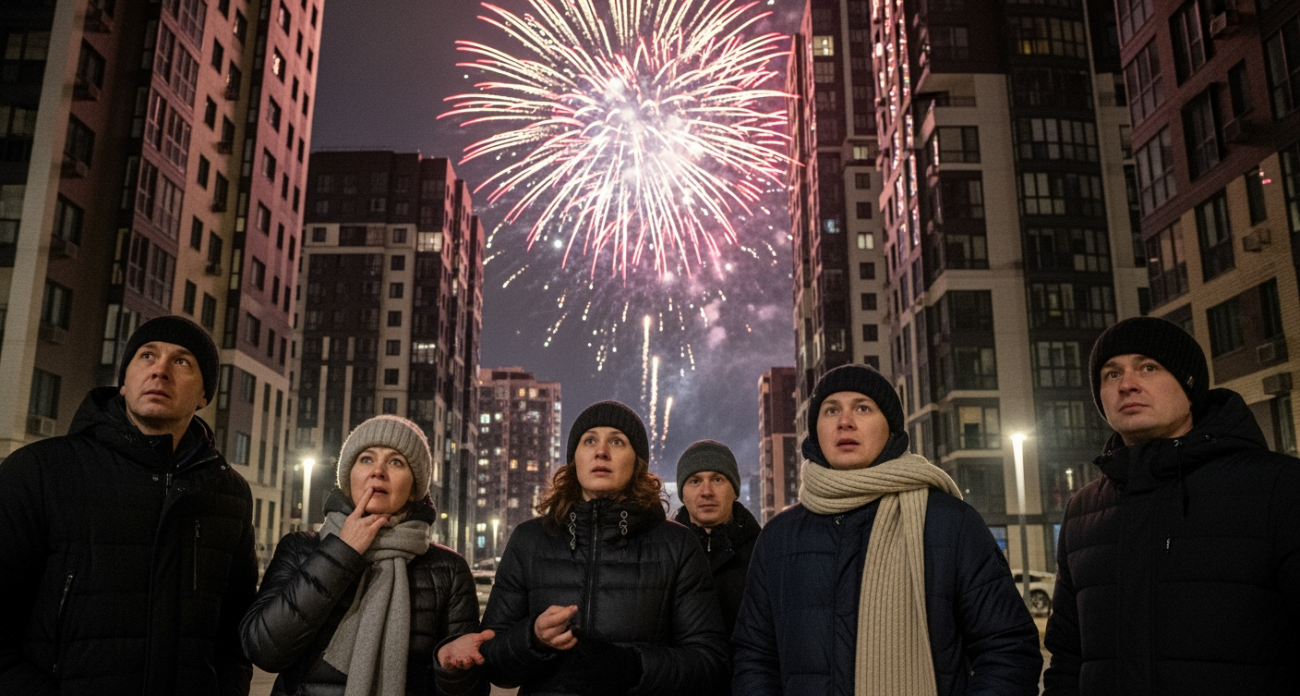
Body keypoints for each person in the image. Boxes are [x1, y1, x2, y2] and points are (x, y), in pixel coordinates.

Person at [733, 364, 1043, 695]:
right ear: (815, 431)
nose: (844, 421)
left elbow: (1008, 650)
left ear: (891, 429)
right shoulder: (779, 538)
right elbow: (754, 656)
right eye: (831, 410)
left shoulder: (951, 524)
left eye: (863, 408)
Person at [0, 316, 258, 696]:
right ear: (123, 381)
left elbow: (235, 632)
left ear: (204, 395)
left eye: (182, 361)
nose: (160, 370)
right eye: (147, 356)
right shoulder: (40, 471)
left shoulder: (228, 494)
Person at [1043, 317, 1300, 695]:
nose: (1127, 384)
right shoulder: (1084, 511)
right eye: (1111, 374)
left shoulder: (1279, 488)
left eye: (1149, 367)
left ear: (1189, 384)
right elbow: (1068, 656)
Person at [474, 400, 728, 696]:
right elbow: (492, 663)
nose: (601, 452)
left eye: (617, 441)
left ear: (637, 463)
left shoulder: (677, 545)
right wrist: (532, 638)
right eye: (589, 440)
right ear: (574, 458)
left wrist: (632, 667)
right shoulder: (529, 540)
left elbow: (710, 663)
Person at [241, 415, 489, 696]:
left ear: (414, 488)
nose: (378, 471)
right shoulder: (299, 549)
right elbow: (262, 650)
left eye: (396, 462)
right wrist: (341, 553)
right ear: (348, 477)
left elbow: (474, 689)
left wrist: (450, 671)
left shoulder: (448, 569)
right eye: (366, 459)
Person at [673, 439, 760, 638]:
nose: (707, 492)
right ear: (682, 494)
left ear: (734, 490)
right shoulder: (666, 553)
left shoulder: (763, 552)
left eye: (717, 480)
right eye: (695, 481)